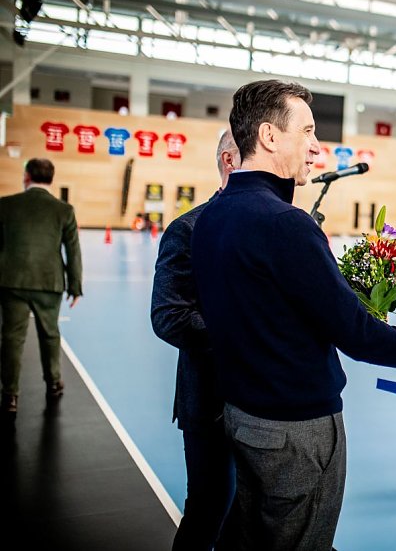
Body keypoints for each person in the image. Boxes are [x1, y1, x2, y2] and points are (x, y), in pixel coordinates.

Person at [191, 79, 396, 551]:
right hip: (294, 433)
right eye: (307, 132)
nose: (317, 149)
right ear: (268, 136)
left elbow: (269, 309)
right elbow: (357, 334)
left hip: (242, 417)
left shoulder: (211, 218)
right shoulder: (286, 224)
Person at [151, 130, 242, 550]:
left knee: (248, 514)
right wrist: (247, 332)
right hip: (209, 401)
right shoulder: (188, 229)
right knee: (210, 507)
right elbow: (169, 317)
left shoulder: (278, 229)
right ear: (229, 160)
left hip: (268, 403)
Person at [0, 158, 83, 414]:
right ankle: (54, 383)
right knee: (49, 334)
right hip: (49, 282)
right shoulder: (64, 210)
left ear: (26, 176)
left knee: (12, 338)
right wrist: (75, 286)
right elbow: (73, 251)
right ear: (52, 178)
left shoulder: (5, 205)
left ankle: (10, 396)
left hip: (11, 280)